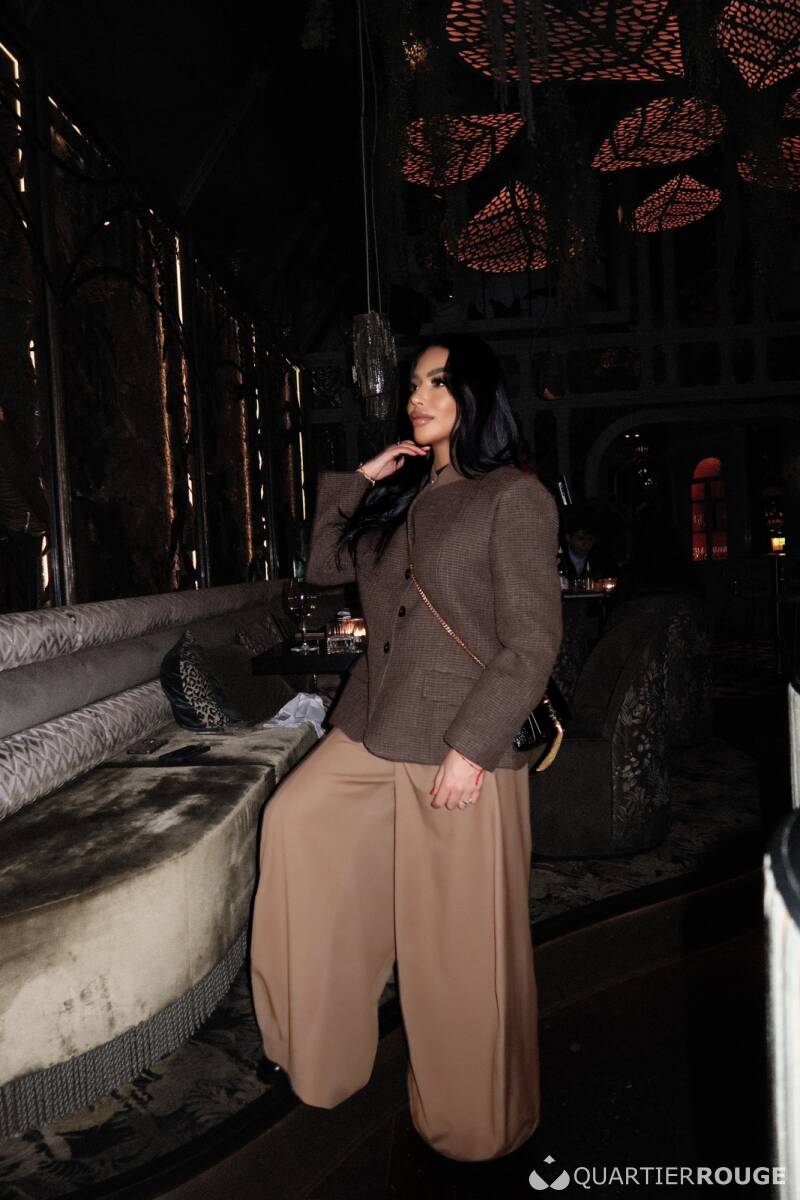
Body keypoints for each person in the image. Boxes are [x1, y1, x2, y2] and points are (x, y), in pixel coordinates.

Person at [250, 333, 562, 1162]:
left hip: (461, 736)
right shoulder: (407, 495)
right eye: (415, 384)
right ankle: (316, 1053)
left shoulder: (513, 497)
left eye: (438, 383)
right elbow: (324, 564)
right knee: (296, 824)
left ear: (476, 396)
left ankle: (477, 1122)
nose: (417, 397)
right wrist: (363, 479)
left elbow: (533, 641)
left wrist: (473, 747)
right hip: (374, 723)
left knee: (457, 938)